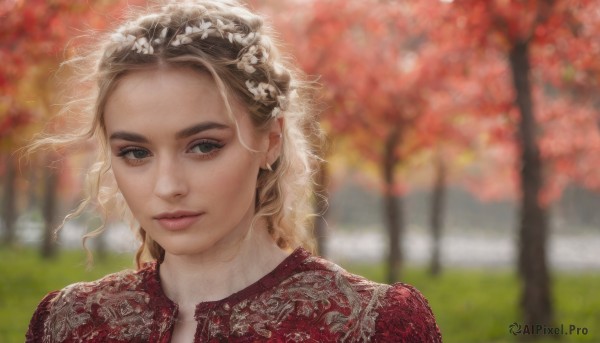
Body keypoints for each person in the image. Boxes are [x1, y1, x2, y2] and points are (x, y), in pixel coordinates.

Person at [26, 0, 442, 342]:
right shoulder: (67, 323)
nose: (168, 186)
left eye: (204, 146)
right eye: (136, 152)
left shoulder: (370, 325)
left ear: (271, 141)